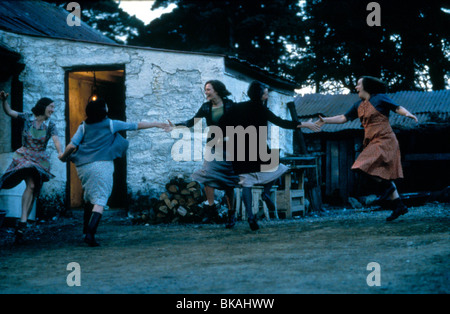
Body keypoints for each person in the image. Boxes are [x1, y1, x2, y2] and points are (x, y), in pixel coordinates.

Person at [59, 98, 170, 246]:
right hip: (101, 165)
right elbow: (135, 126)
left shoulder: (84, 126)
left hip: (83, 167)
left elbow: (72, 145)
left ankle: (86, 230)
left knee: (88, 197)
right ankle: (90, 235)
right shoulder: (111, 124)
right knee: (100, 200)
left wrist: (63, 157)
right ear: (103, 111)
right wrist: (157, 124)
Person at [315, 76, 418, 221]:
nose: (356, 87)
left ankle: (389, 189)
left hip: (385, 139)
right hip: (372, 141)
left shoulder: (380, 99)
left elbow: (397, 108)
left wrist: (407, 113)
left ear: (366, 86)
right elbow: (343, 118)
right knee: (379, 173)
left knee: (361, 165)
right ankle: (399, 205)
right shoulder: (358, 105)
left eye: (358, 84)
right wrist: (325, 120)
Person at [221, 81, 320, 230]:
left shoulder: (238, 107)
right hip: (257, 147)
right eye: (266, 92)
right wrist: (304, 124)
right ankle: (266, 193)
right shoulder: (262, 109)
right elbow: (282, 122)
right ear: (260, 94)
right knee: (278, 168)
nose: (267, 94)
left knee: (246, 182)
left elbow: (222, 123)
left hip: (239, 147)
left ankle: (251, 217)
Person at [168, 80, 239, 225]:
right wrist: (175, 126)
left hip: (230, 148)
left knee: (229, 183)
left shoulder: (230, 105)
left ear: (217, 90)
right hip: (213, 146)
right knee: (208, 176)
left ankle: (231, 213)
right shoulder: (206, 107)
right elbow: (191, 122)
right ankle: (211, 209)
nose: (206, 92)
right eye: (205, 90)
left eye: (208, 89)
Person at [0, 91, 62, 244]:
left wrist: (61, 152)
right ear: (43, 107)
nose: (53, 110)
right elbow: (9, 112)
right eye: (51, 107)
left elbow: (56, 140)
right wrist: (3, 101)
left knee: (34, 189)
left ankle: (22, 224)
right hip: (26, 155)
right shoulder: (27, 117)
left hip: (40, 158)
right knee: (30, 183)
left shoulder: (51, 125)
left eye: (54, 107)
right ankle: (22, 220)